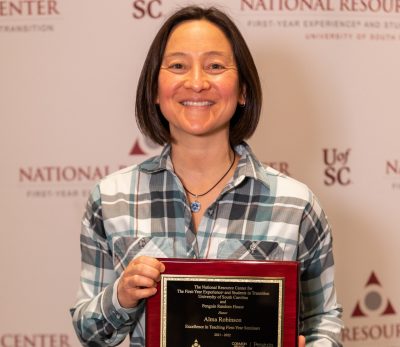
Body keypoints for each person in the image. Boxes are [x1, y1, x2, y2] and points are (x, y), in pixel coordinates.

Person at [70, 5, 343, 347]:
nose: (197, 83)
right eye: (178, 66)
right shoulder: (111, 199)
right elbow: (89, 332)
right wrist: (121, 297)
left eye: (215, 66)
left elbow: (323, 320)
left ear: (243, 89)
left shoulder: (296, 204)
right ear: (154, 89)